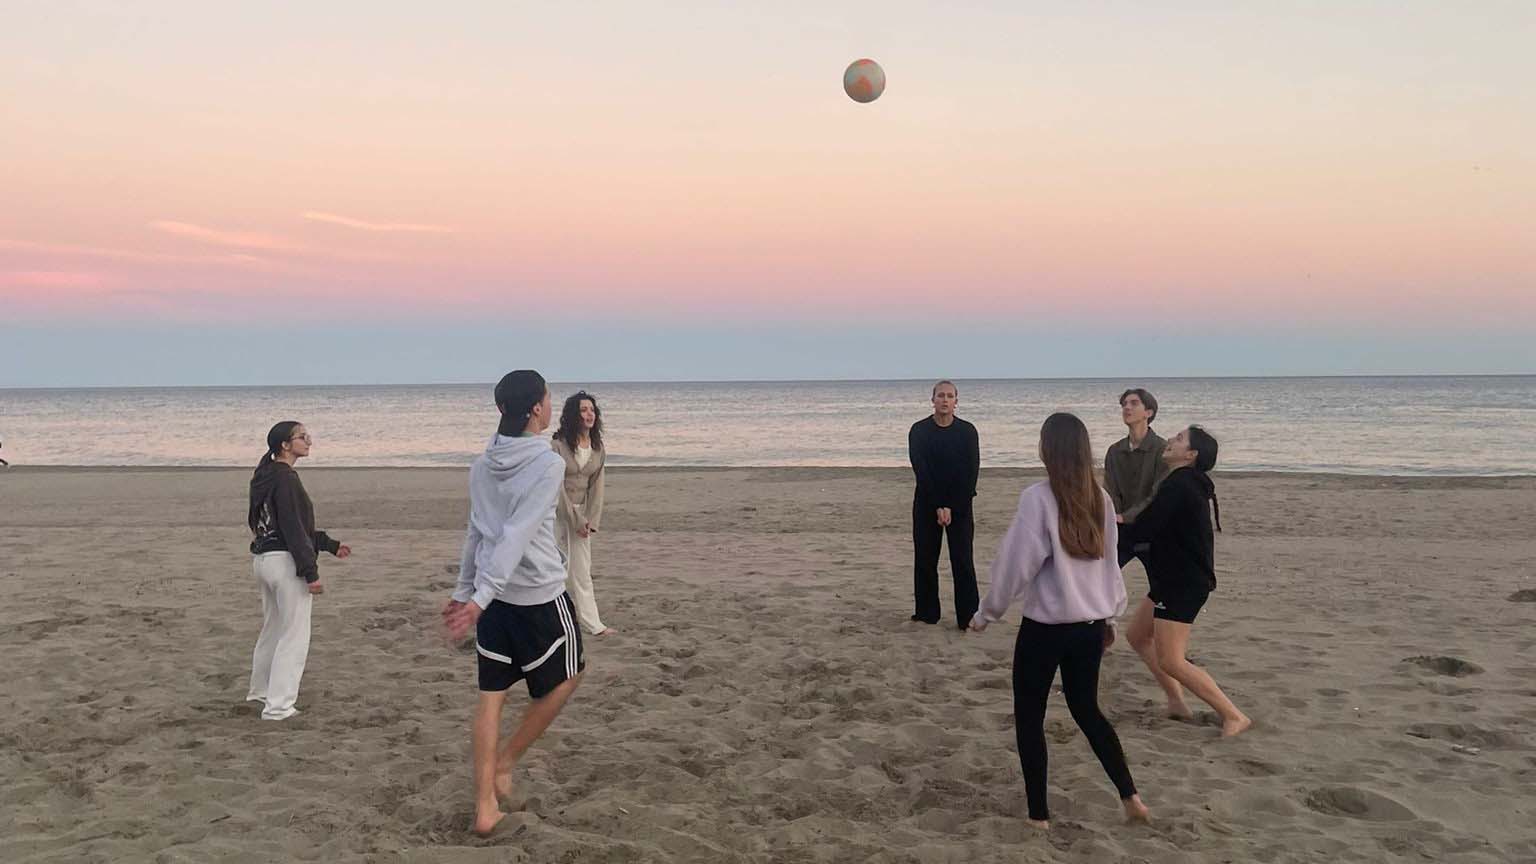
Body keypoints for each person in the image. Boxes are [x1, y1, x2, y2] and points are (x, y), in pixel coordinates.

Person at [969, 413, 1149, 829]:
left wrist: (987, 613)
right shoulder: (1101, 498)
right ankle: (1131, 798)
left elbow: (1016, 565)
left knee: (1029, 717)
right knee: (1087, 710)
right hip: (1089, 627)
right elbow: (1110, 568)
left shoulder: (1038, 498)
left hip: (1046, 630)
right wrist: (1109, 617)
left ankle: (1039, 816)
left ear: (1047, 449)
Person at [443, 370, 585, 837]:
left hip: (492, 600)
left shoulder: (482, 463)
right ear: (536, 409)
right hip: (536, 594)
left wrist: (467, 591)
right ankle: (505, 762)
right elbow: (516, 534)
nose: (551, 405)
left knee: (492, 697)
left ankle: (485, 807)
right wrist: (476, 597)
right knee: (570, 673)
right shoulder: (546, 464)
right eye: (548, 398)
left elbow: (476, 532)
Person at [1120, 425, 1252, 736]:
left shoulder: (1180, 484)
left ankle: (1234, 715)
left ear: (1190, 454)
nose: (1170, 440)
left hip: (1183, 583)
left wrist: (1113, 525)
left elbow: (1145, 528)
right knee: (1137, 636)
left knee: (1172, 660)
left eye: (1179, 439)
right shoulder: (1183, 482)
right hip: (1171, 578)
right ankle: (1177, 703)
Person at [247, 421, 350, 721]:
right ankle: (278, 706)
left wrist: (328, 544)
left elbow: (273, 524)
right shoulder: (286, 478)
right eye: (302, 437)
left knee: (273, 629)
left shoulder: (264, 476)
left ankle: (261, 691)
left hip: (264, 560)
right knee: (293, 635)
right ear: (284, 445)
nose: (309, 441)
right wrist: (310, 572)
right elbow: (292, 528)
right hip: (284, 562)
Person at [907, 379, 980, 629]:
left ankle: (968, 616)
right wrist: (938, 504)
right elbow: (921, 470)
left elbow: (970, 472)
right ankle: (926, 613)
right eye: (940, 395)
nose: (945, 400)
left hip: (960, 504)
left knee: (963, 561)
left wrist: (952, 506)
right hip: (927, 503)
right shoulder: (919, 431)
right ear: (933, 400)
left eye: (949, 396)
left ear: (956, 401)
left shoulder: (967, 431)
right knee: (925, 560)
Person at [550, 391, 612, 636]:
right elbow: (555, 487)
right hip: (556, 513)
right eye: (584, 410)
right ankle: (553, 621)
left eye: (592, 410)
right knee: (555, 567)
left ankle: (592, 624)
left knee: (582, 570)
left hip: (582, 515)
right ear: (573, 415)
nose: (589, 414)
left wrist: (590, 521)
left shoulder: (598, 448)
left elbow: (597, 488)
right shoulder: (557, 445)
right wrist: (574, 519)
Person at [1104, 388, 1167, 568]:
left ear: (1149, 412)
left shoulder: (1162, 449)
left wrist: (1127, 516)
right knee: (1104, 575)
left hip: (1152, 528)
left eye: (1134, 403)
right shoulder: (1114, 451)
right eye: (1124, 404)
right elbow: (1110, 490)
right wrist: (1114, 516)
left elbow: (1158, 494)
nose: (1127, 408)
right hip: (1119, 528)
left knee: (1162, 580)